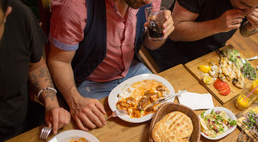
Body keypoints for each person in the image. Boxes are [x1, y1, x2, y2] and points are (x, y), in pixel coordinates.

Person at [47, 0, 174, 131]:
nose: (148, 1)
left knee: (167, 119)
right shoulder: (75, 5)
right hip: (89, 81)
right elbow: (59, 61)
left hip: (132, 69)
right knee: (109, 137)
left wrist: (162, 31)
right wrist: (75, 101)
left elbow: (151, 44)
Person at [0, 0, 70, 142]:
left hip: (26, 124)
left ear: (6, 14)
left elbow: (35, 66)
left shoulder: (20, 16)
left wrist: (51, 104)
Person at [148, 0, 258, 71]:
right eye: (244, 4)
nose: (250, 11)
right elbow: (174, 33)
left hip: (213, 51)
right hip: (174, 50)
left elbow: (244, 31)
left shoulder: (252, 2)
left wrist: (251, 28)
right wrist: (216, 25)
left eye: (255, 7)